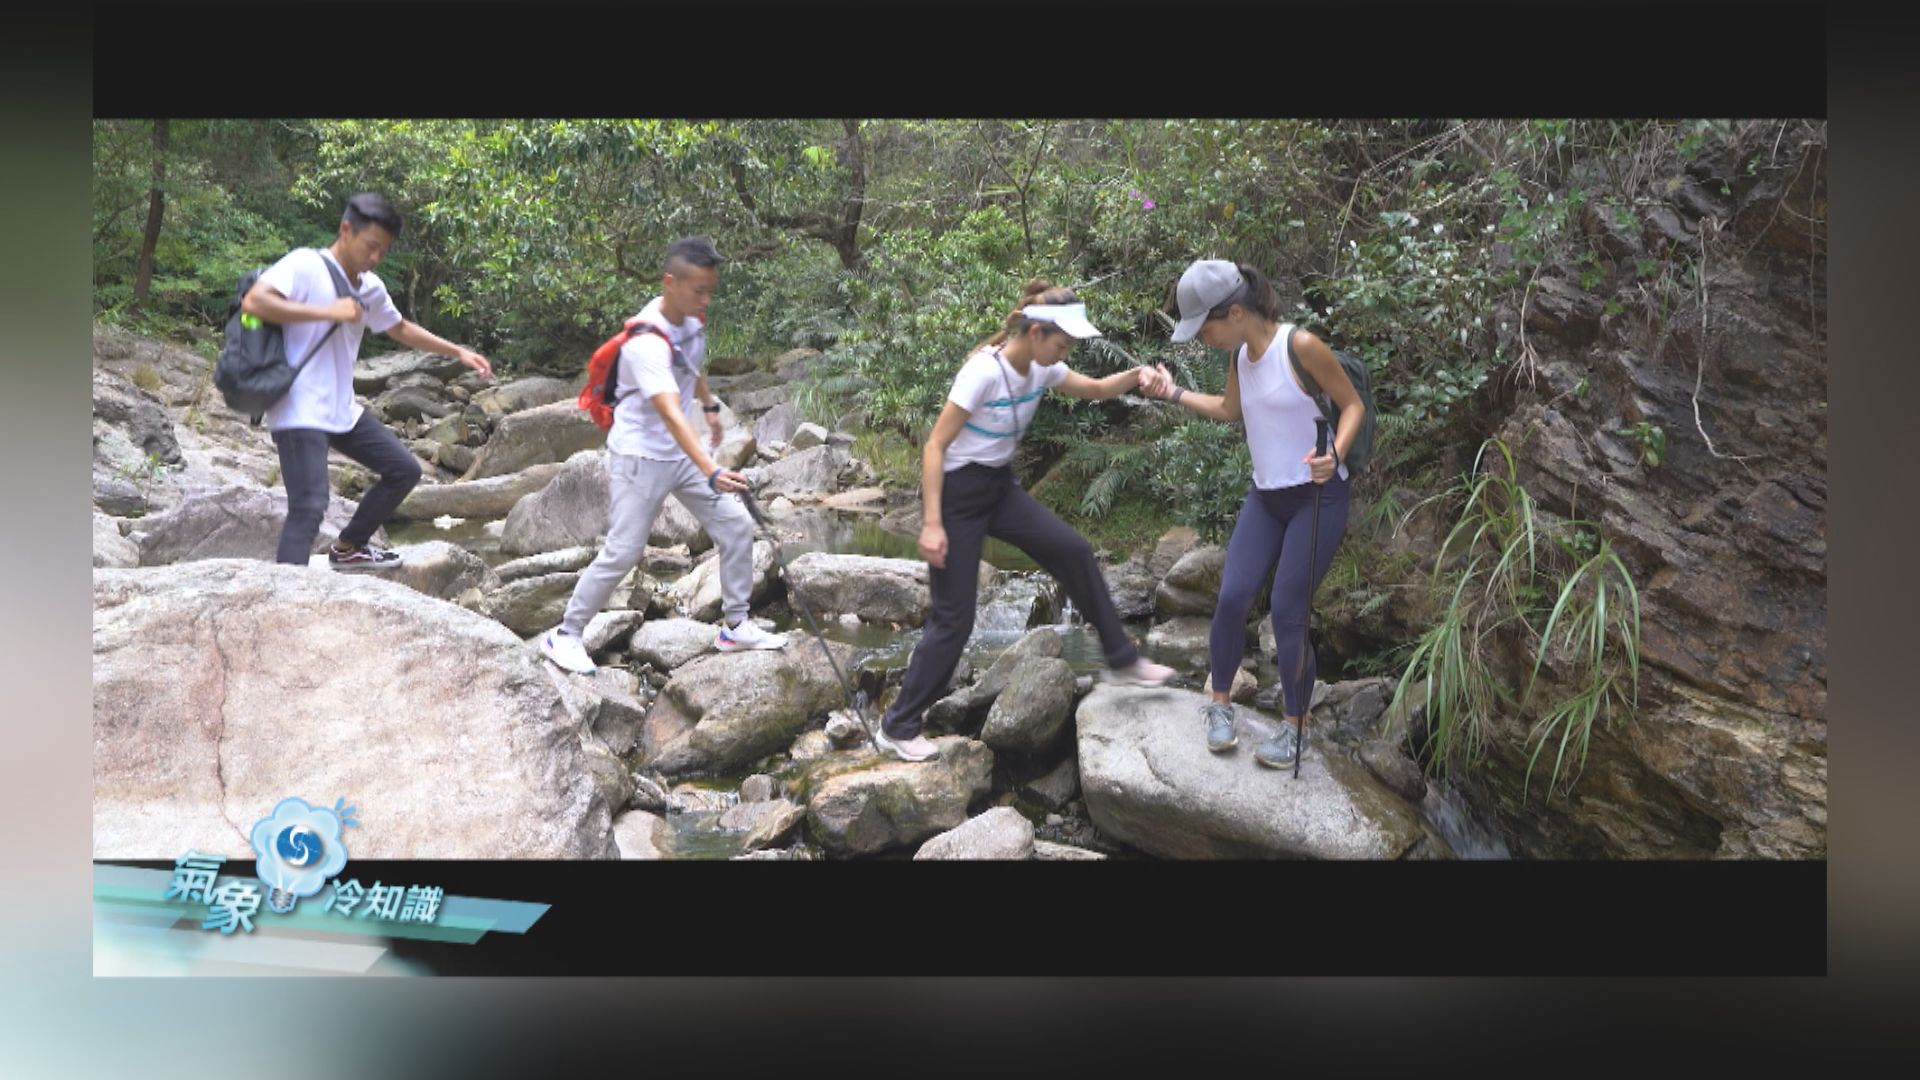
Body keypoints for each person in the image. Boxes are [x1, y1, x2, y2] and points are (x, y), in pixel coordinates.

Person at [873, 279, 1176, 762]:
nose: (1065, 353)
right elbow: (935, 446)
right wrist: (931, 523)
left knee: (1073, 551)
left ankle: (1122, 660)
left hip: (998, 488)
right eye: (1062, 343)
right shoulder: (983, 373)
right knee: (955, 618)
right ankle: (898, 724)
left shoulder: (1043, 368)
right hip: (956, 495)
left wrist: (1138, 375)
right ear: (1035, 333)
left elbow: (1096, 390)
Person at [1138, 260, 1365, 769]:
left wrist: (1336, 455)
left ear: (1236, 311)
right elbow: (1228, 410)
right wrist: (1170, 391)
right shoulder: (1240, 357)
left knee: (1286, 609)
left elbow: (1352, 407)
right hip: (1266, 497)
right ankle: (1219, 708)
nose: (1203, 339)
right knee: (1233, 596)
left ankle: (1294, 726)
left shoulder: (1300, 348)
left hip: (1316, 498)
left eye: (1206, 327)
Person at [538, 236, 786, 675]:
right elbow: (670, 412)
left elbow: (692, 366)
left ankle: (735, 626)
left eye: (710, 290)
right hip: (639, 457)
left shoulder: (690, 321)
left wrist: (709, 406)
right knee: (624, 550)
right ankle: (566, 634)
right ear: (669, 282)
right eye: (698, 291)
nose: (705, 299)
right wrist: (711, 468)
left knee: (735, 526)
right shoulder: (644, 340)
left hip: (679, 455)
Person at [243, 192, 494, 570]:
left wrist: (456, 351)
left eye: (384, 251)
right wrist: (327, 311)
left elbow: (400, 328)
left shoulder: (370, 287)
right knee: (309, 508)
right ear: (346, 230)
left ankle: (349, 547)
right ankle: (286, 601)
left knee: (405, 470)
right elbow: (255, 302)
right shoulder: (304, 265)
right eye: (371, 246)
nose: (375, 257)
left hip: (341, 409)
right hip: (297, 408)